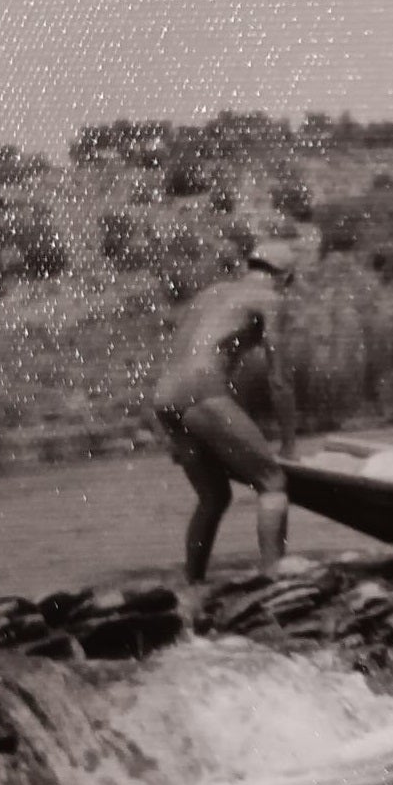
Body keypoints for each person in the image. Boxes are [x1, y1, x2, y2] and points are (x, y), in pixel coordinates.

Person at [152, 241, 300, 583]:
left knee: (214, 496)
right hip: (201, 392)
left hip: (164, 397)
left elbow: (181, 350)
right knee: (272, 482)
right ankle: (275, 580)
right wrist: (289, 445)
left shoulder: (212, 292)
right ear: (286, 279)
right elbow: (280, 380)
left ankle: (192, 586)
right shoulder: (271, 300)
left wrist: (172, 432)